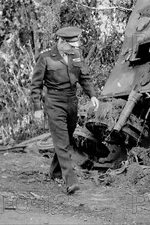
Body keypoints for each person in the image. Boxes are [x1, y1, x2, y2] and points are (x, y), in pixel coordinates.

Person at [30, 26, 99, 194]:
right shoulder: (45, 58)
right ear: (61, 42)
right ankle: (70, 180)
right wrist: (37, 108)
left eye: (75, 46)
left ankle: (55, 171)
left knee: (65, 138)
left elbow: (84, 77)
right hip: (54, 102)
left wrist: (92, 95)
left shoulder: (76, 55)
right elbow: (36, 86)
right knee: (62, 141)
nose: (75, 49)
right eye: (71, 45)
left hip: (71, 102)